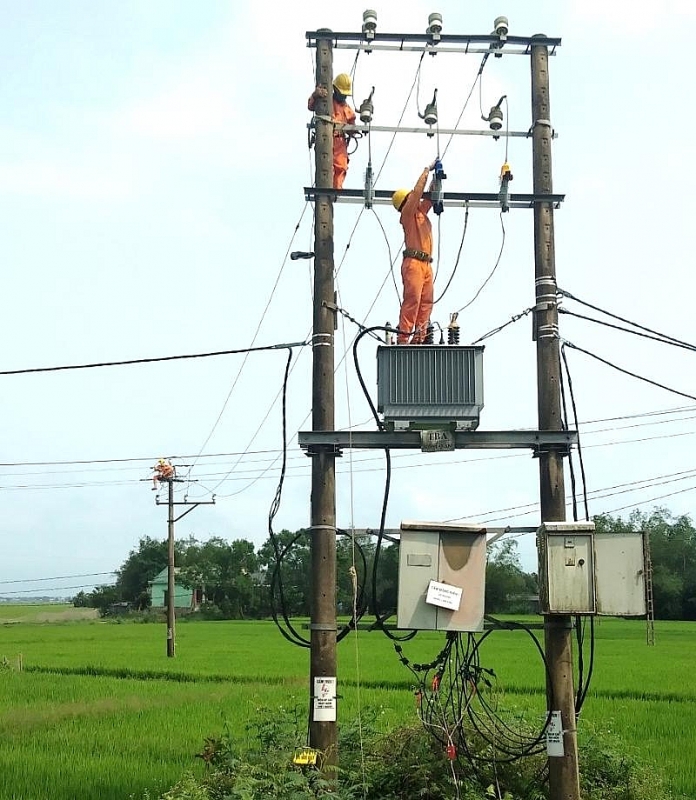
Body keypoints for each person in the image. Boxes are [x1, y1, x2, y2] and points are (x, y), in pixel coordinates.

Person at [391, 162, 437, 344]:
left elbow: (429, 199)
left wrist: (436, 180)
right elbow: (418, 193)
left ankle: (418, 338)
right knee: (413, 301)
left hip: (425, 265)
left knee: (426, 303)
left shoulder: (419, 213)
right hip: (414, 263)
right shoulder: (408, 214)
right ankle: (403, 338)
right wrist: (426, 170)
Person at [307, 73, 356, 190]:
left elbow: (352, 125)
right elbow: (310, 106)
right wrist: (315, 95)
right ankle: (327, 190)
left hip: (340, 141)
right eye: (341, 94)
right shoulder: (326, 100)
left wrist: (353, 131)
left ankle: (336, 190)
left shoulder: (347, 109)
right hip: (326, 138)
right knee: (326, 165)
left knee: (341, 166)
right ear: (335, 89)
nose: (343, 97)